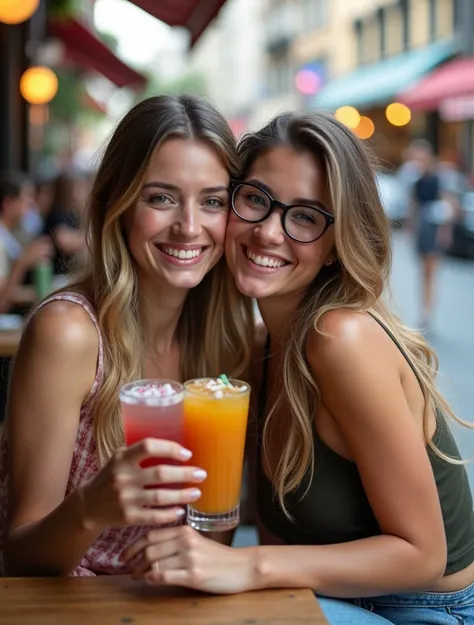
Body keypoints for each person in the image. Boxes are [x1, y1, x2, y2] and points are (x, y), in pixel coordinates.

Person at [124, 113, 474, 625]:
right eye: (256, 200)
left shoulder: (340, 338)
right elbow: (279, 537)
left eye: (307, 217)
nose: (268, 232)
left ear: (336, 245)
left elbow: (424, 556)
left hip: (423, 611)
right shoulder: (263, 350)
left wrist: (244, 566)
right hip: (321, 601)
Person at [0, 94, 253, 577]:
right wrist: (91, 508)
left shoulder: (224, 343)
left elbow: (211, 540)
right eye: (160, 197)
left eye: (213, 202)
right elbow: (18, 556)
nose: (189, 227)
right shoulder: (70, 333)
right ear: (115, 203)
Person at [408, 140, 455, 331]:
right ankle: (424, 312)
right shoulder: (417, 180)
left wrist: (445, 232)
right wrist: (410, 228)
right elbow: (413, 206)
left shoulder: (438, 179)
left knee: (429, 272)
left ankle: (427, 313)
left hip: (434, 230)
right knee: (423, 273)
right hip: (422, 231)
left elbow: (448, 206)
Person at [0, 171, 52, 314]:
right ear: (8, 203)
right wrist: (22, 262)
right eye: (26, 200)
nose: (31, 207)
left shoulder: (10, 235)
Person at [42, 169, 90, 275]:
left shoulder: (72, 212)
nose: (85, 192)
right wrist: (91, 238)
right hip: (54, 275)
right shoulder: (58, 212)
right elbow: (64, 241)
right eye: (81, 187)